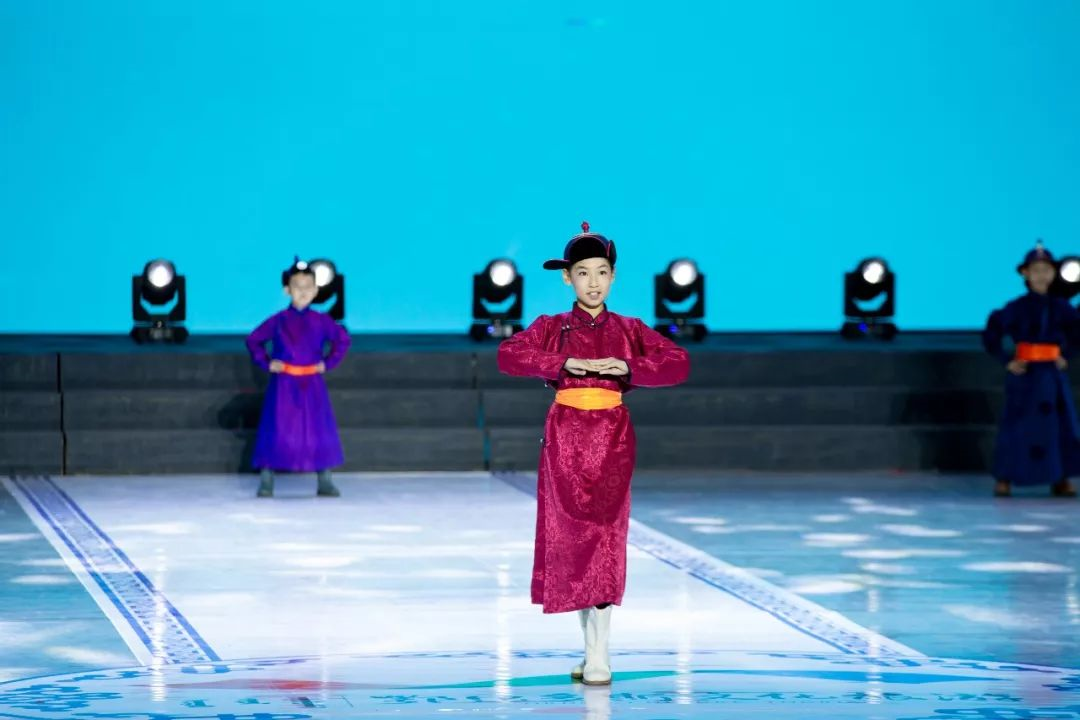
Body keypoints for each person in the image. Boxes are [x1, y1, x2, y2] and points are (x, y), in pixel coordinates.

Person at [497, 222, 690, 685]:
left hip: (611, 437)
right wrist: (562, 362)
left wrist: (628, 366)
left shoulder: (628, 328)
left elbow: (678, 363)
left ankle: (600, 652)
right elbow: (508, 355)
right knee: (571, 538)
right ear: (568, 278)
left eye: (602, 272)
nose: (594, 282)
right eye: (583, 273)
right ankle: (589, 649)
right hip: (564, 435)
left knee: (604, 536)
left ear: (613, 276)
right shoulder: (552, 327)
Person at [245, 258, 350, 498]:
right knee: (276, 428)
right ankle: (267, 480)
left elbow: (343, 340)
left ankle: (325, 480)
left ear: (315, 290)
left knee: (318, 429)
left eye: (308, 287)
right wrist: (267, 362)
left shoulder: (321, 321)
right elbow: (254, 340)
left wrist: (328, 363)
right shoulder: (279, 320)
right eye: (297, 287)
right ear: (287, 290)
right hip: (284, 383)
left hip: (312, 382)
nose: (303, 292)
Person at [983, 241, 1080, 498]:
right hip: (1026, 378)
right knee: (1017, 427)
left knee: (1058, 427)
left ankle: (1060, 478)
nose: (1041, 276)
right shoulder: (1016, 308)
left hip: (1052, 376)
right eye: (1035, 270)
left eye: (1046, 270)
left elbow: (1077, 332)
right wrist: (1008, 360)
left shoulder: (1061, 307)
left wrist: (1067, 355)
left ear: (1053, 273)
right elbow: (992, 332)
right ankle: (1005, 477)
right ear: (1025, 274)